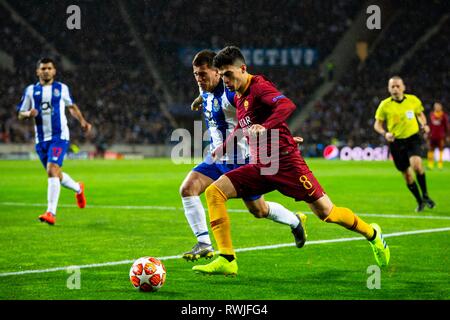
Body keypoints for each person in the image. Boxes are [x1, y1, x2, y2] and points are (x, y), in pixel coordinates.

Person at [192, 46, 390, 276]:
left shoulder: (259, 86)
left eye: (227, 74)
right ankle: (227, 259)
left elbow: (286, 105)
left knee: (328, 213)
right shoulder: (239, 95)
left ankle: (373, 234)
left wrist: (267, 129)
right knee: (214, 193)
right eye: (222, 74)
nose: (224, 79)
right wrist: (222, 148)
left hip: (287, 165)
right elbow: (242, 126)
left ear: (242, 69)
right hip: (260, 164)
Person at [180, 50, 307, 261]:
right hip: (218, 158)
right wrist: (199, 100)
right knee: (188, 188)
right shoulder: (205, 88)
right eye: (195, 74)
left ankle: (295, 221)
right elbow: (206, 93)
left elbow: (260, 111)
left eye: (203, 74)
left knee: (259, 210)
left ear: (217, 73)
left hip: (242, 160)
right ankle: (203, 243)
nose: (199, 79)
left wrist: (283, 137)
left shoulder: (232, 93)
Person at [16, 57, 92, 225]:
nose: (46, 71)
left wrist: (82, 122)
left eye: (49, 68)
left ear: (54, 71)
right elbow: (20, 113)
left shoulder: (61, 88)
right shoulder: (30, 91)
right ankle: (79, 188)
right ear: (38, 72)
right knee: (55, 174)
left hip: (59, 137)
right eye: (43, 69)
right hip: (41, 140)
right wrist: (29, 113)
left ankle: (51, 213)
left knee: (52, 170)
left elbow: (71, 107)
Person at [374, 76, 435, 212]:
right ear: (389, 89)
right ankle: (420, 201)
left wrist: (424, 125)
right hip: (396, 142)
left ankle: (425, 195)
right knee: (407, 175)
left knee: (417, 165)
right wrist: (385, 134)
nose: (395, 88)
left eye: (397, 86)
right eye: (392, 86)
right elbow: (377, 125)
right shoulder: (385, 105)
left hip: (413, 138)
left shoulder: (413, 100)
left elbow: (420, 114)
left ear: (403, 87)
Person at [426, 102, 448, 170]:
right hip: (432, 135)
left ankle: (440, 165)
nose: (437, 107)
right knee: (430, 149)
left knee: (441, 149)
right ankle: (430, 165)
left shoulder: (443, 115)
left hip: (440, 136)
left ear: (441, 107)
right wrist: (427, 133)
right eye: (436, 106)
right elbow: (429, 125)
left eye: (438, 106)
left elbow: (446, 126)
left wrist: (447, 135)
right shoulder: (431, 114)